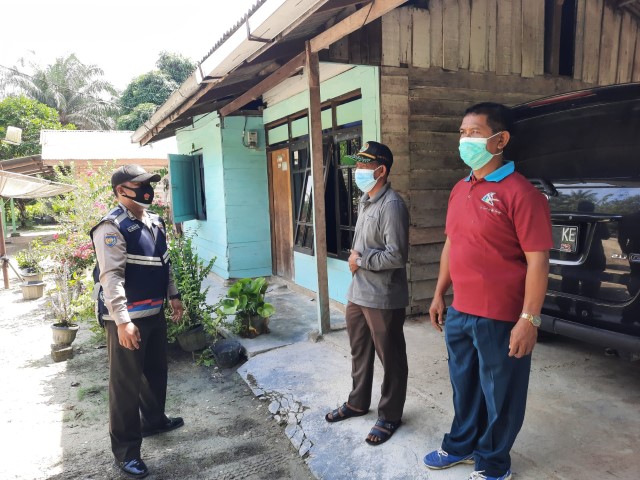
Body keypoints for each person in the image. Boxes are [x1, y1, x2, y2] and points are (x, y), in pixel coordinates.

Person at [422, 103, 552, 480]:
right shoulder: (460, 188)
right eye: (462, 133)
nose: (465, 140)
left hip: (500, 315)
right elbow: (452, 244)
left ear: (500, 140)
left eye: (475, 133)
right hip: (461, 310)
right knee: (464, 386)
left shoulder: (521, 193)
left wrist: (529, 319)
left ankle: (494, 464)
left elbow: (538, 262)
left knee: (501, 394)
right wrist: (439, 293)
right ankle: (461, 444)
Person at [90, 165, 185, 479]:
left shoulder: (154, 221)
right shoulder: (111, 227)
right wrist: (122, 321)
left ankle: (154, 421)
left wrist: (173, 295)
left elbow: (164, 262)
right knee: (126, 385)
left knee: (156, 372)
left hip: (154, 312)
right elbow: (111, 277)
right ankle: (127, 453)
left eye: (149, 184)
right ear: (121, 191)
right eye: (140, 184)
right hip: (127, 319)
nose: (148, 190)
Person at [324, 141, 410, 446]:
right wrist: (357, 257)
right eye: (357, 165)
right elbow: (363, 244)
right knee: (359, 351)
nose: (357, 170)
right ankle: (358, 402)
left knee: (391, 357)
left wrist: (360, 260)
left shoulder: (392, 205)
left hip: (383, 297)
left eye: (363, 165)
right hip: (358, 292)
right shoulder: (366, 201)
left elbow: (396, 255)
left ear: (381, 170)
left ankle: (390, 415)